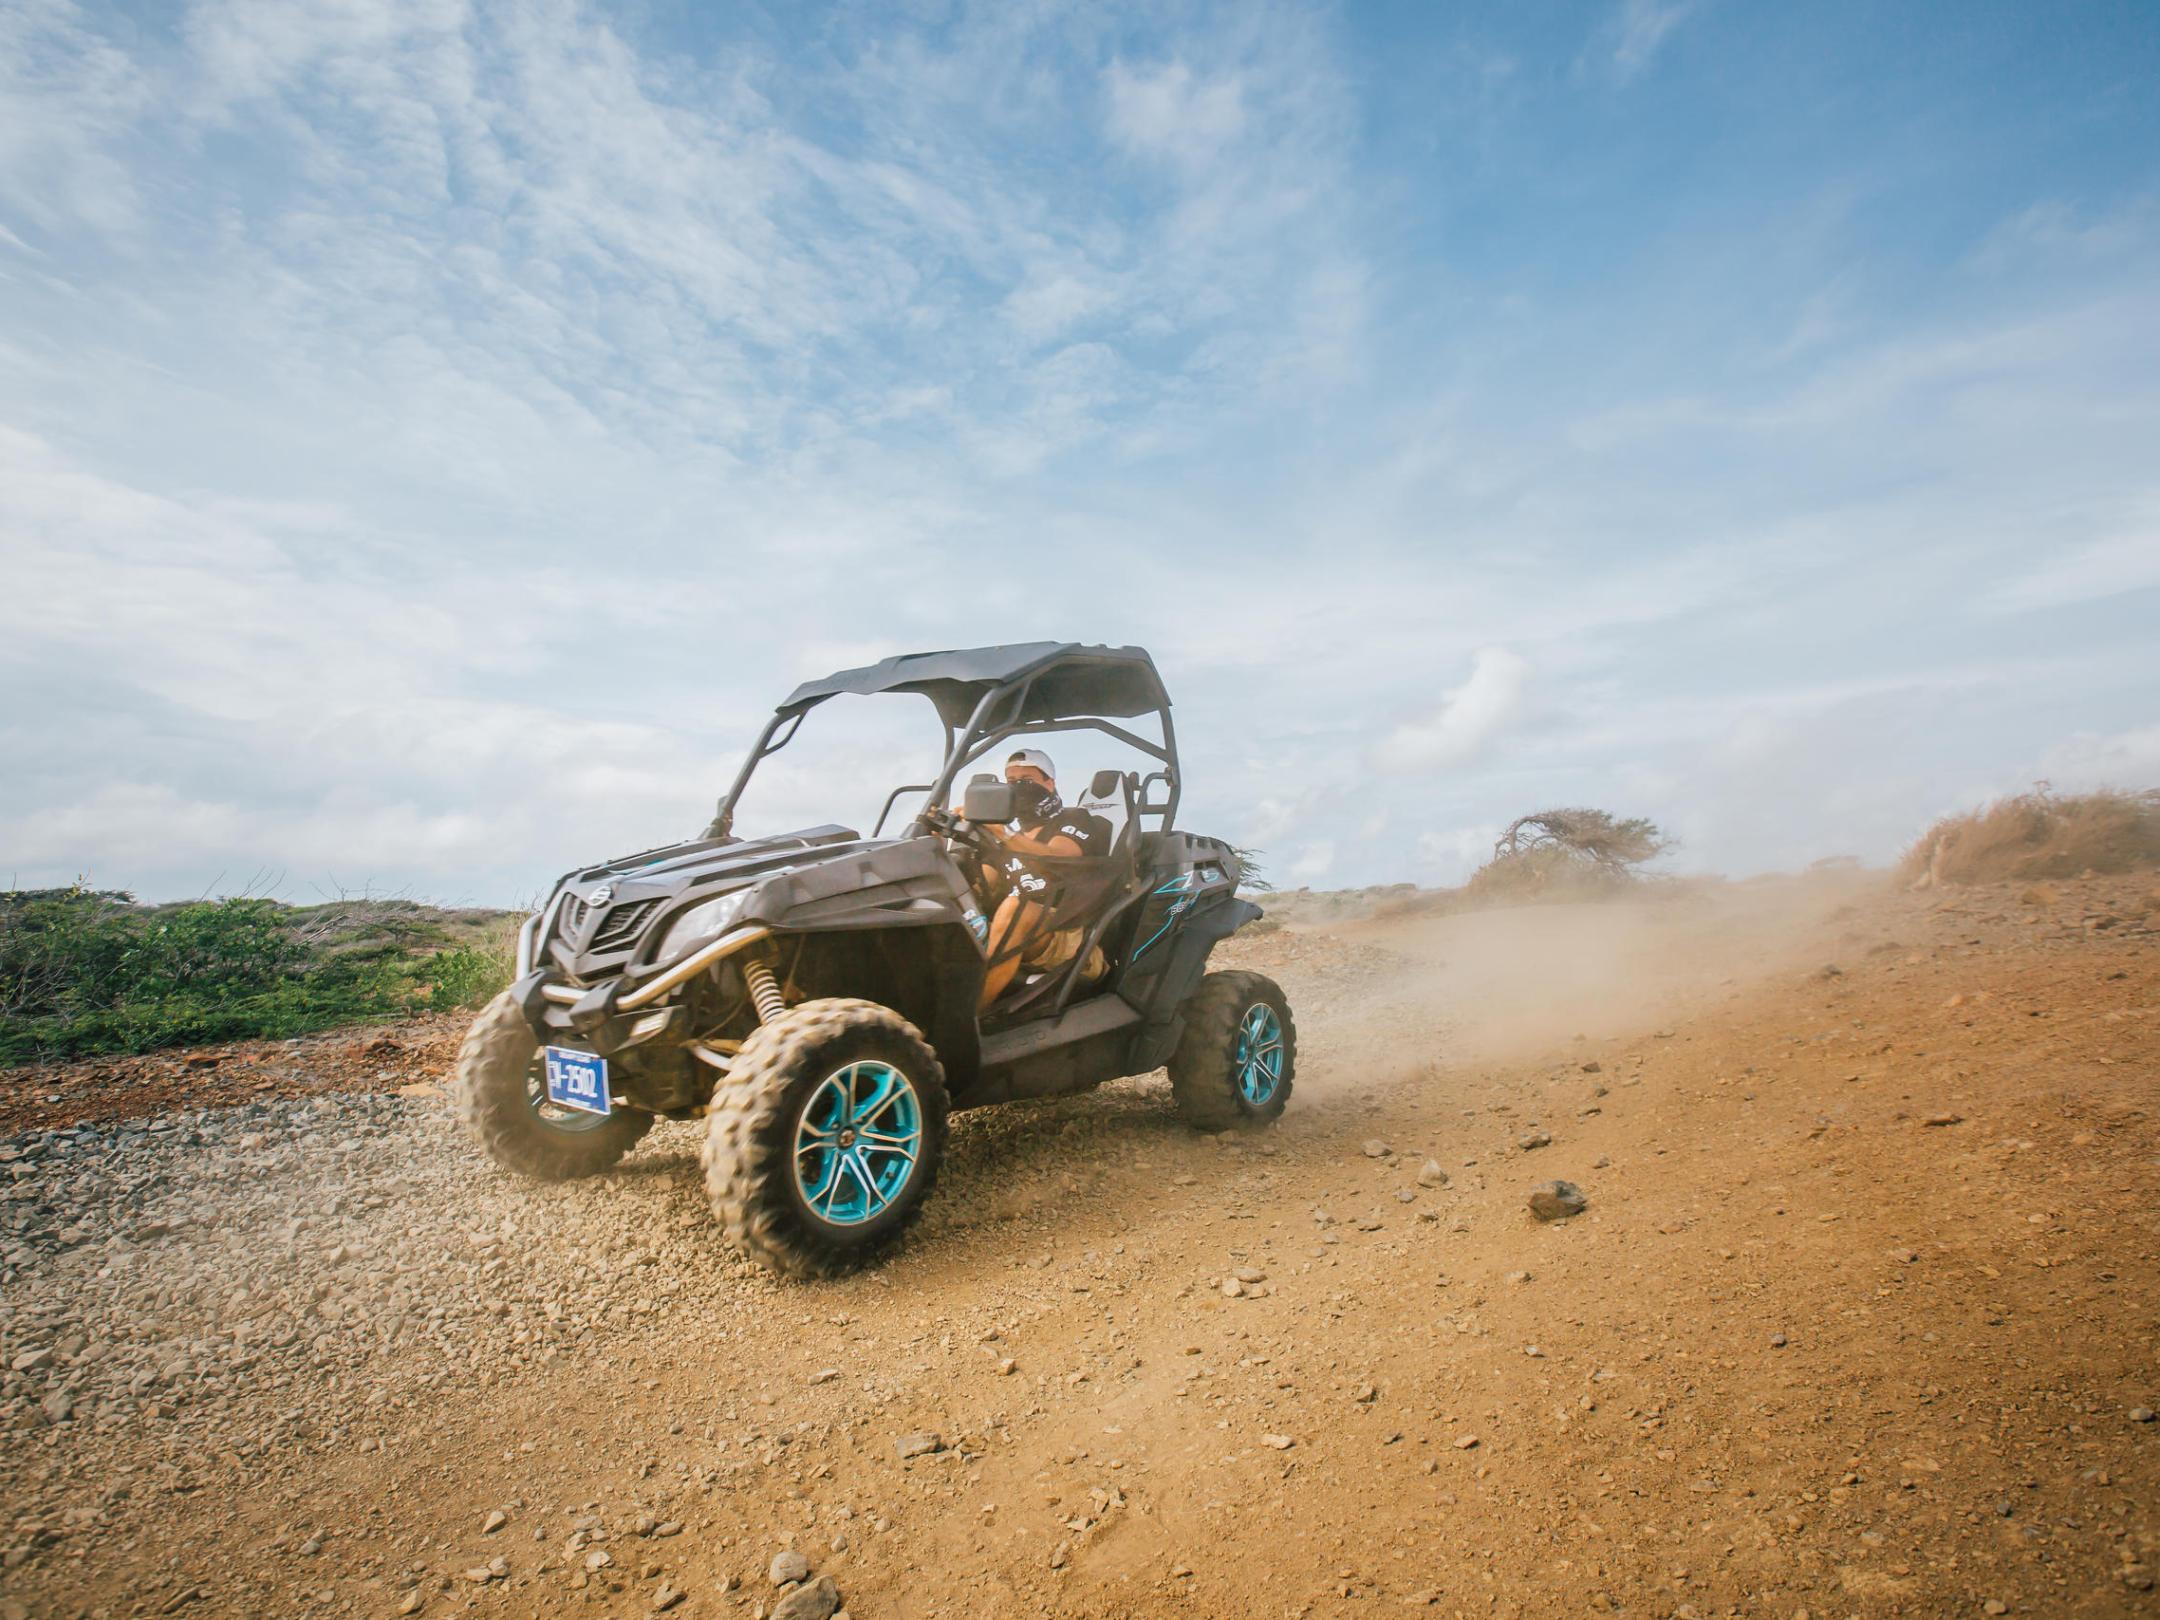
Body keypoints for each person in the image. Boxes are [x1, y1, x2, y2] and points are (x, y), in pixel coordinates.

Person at [972, 749, 1110, 1010]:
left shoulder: (1073, 819)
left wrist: (1005, 834)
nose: (1017, 788)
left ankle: (969, 1019)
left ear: (1050, 782)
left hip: (1067, 934)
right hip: (1019, 934)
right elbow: (981, 886)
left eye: (1026, 780)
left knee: (1017, 908)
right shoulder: (1006, 838)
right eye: (1011, 783)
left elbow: (1059, 859)